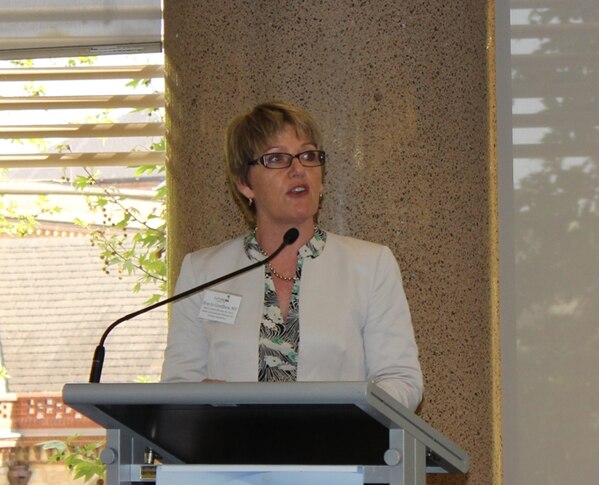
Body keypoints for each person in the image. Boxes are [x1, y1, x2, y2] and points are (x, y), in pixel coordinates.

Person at [161, 101, 424, 410]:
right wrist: (216, 404)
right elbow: (178, 389)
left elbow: (402, 381)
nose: (298, 169)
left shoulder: (370, 266)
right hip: (233, 453)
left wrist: (341, 420)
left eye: (308, 156)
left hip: (338, 452)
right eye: (277, 159)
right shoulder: (204, 272)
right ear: (245, 183)